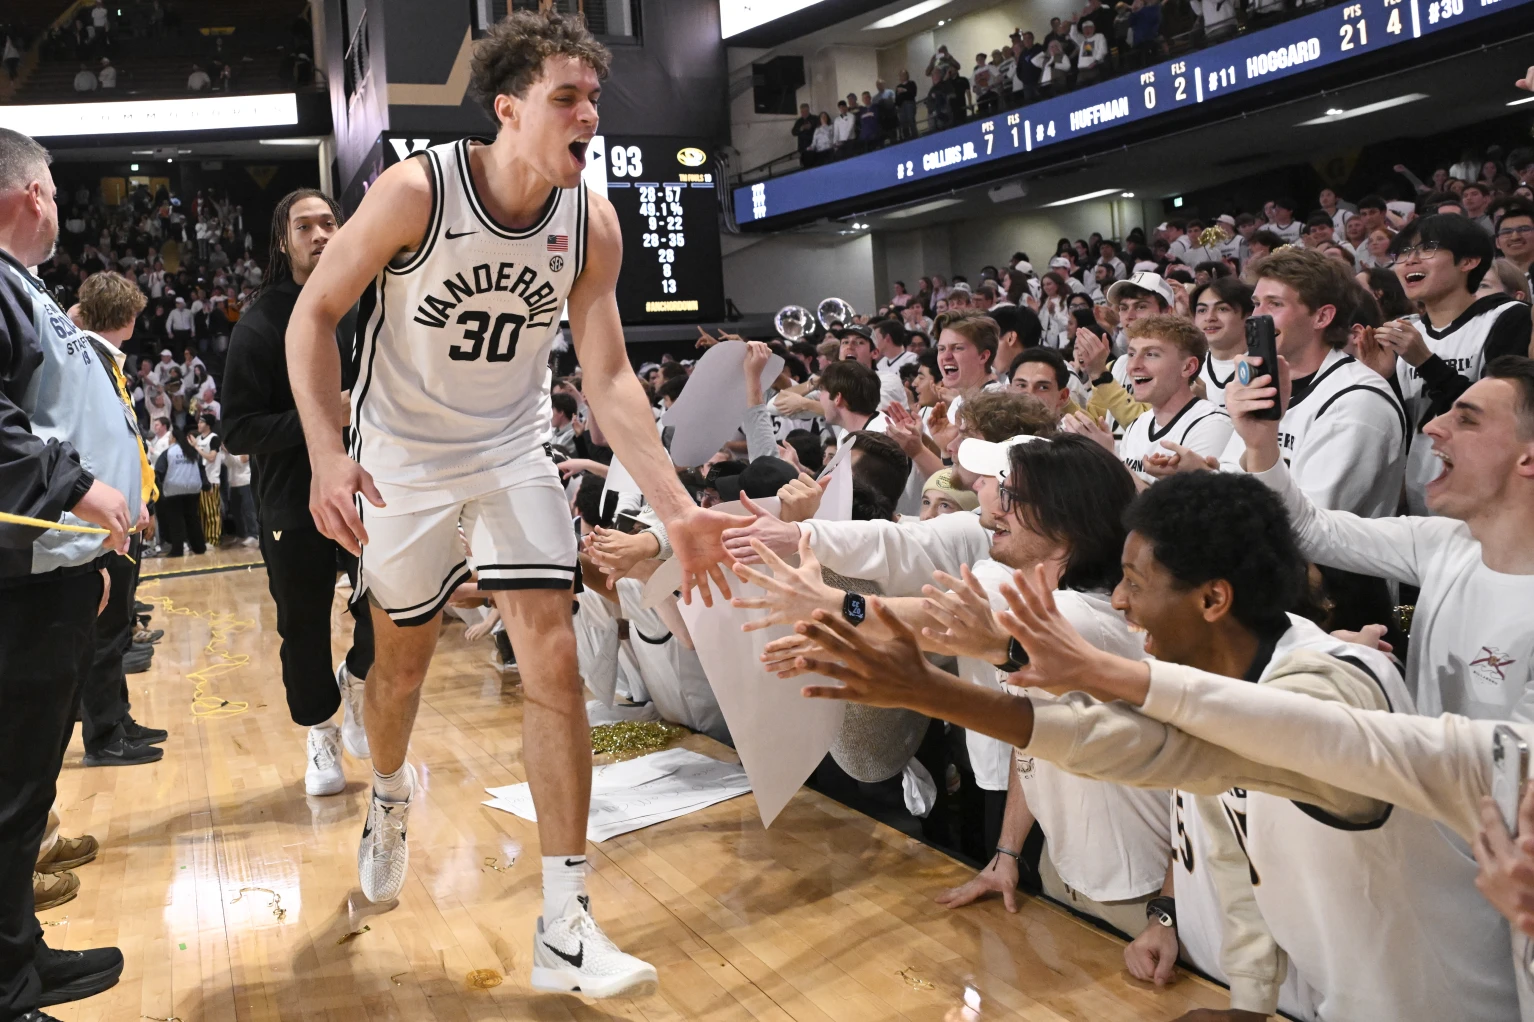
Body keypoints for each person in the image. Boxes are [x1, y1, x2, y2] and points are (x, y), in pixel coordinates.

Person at [285, 11, 731, 997]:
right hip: (402, 460)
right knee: (398, 667)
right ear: (508, 108)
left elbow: (609, 378)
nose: (591, 114)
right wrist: (327, 454)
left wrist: (677, 505)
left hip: (511, 450)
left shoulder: (592, 222)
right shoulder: (417, 190)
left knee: (556, 659)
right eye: (569, 96)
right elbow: (312, 312)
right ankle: (391, 794)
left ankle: (565, 922)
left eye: (594, 95)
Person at [0, 126, 136, 1022]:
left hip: (49, 574)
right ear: (28, 192)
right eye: (49, 186)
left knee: (26, 792)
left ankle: (22, 958)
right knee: (10, 796)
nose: (56, 201)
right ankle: (6, 989)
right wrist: (78, 485)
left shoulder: (23, 288)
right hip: (17, 581)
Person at [222, 188, 376, 798]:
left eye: (328, 223)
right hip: (291, 497)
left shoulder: (368, 305)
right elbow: (237, 429)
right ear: (283, 241)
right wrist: (321, 417)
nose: (319, 234)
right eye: (304, 226)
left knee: (392, 605)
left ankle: (359, 681)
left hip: (371, 488)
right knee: (303, 625)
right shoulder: (260, 321)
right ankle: (320, 733)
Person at [69, 271, 168, 768]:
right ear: (130, 319)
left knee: (117, 631)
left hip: (124, 515)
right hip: (105, 522)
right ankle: (103, 735)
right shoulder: (87, 361)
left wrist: (139, 496)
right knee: (105, 638)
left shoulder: (102, 360)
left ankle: (118, 719)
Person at [1373, 215, 1532, 514]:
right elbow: (1399, 428)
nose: (1409, 261)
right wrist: (1382, 380)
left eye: (1426, 249)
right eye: (1403, 253)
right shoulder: (1406, 329)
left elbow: (1500, 418)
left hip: (1491, 502)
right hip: (1420, 495)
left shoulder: (1508, 318)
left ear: (1468, 261)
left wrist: (1426, 362)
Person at [1109, 316, 1232, 484]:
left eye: (1151, 354)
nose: (1134, 365)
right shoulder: (1137, 425)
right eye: (1131, 354)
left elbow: (1183, 509)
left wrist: (1111, 459)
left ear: (1188, 367)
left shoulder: (1213, 426)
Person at [1191, 276, 1253, 409]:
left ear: (1248, 316)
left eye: (1222, 309)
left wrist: (1204, 405)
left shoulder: (1264, 367)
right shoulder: (1188, 368)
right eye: (1202, 310)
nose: (1209, 317)